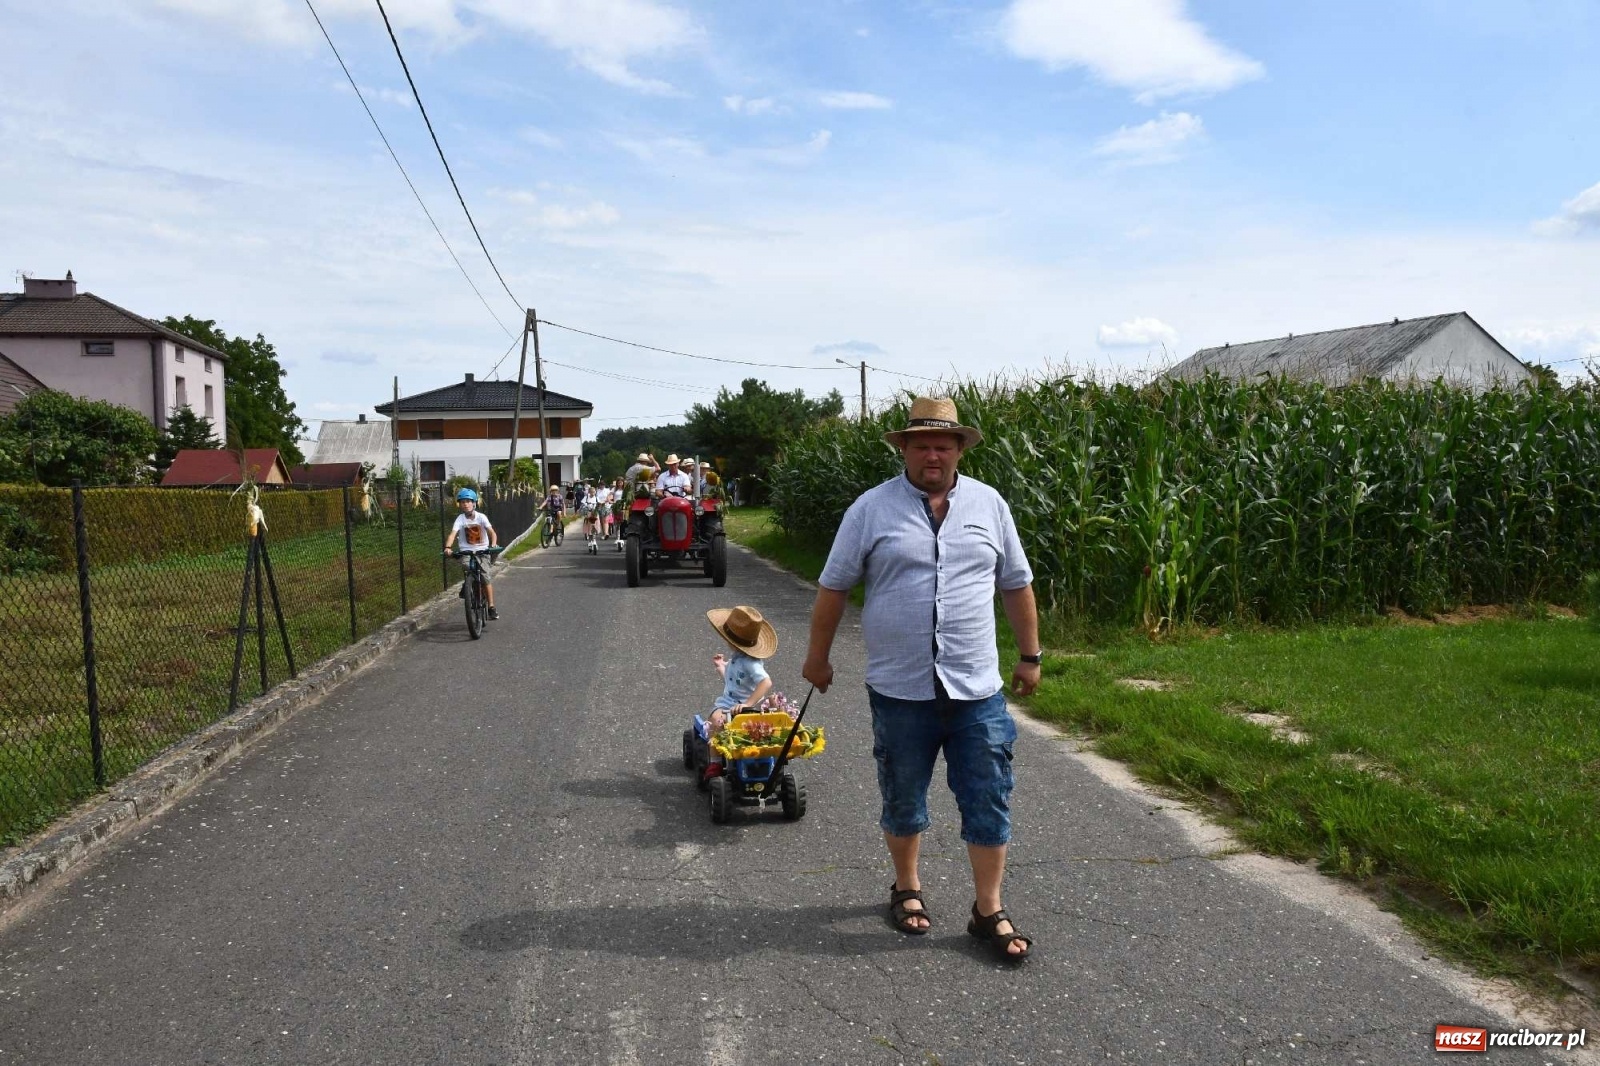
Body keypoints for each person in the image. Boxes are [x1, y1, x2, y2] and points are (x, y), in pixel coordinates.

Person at [802, 396, 1040, 963]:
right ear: (904, 448)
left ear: (959, 449)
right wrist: (818, 657)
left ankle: (988, 909)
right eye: (922, 444)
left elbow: (1016, 583)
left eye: (944, 444)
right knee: (903, 796)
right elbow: (834, 587)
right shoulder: (870, 509)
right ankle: (906, 888)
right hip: (900, 687)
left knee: (988, 797)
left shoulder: (990, 505)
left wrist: (1030, 655)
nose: (933, 454)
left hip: (976, 688)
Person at [702, 605, 777, 782]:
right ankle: (716, 762)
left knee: (715, 721)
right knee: (717, 721)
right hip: (730, 704)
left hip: (746, 708)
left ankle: (717, 762)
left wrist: (748, 704)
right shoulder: (737, 658)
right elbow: (734, 682)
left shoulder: (751, 663)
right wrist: (722, 667)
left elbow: (766, 682)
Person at [443, 487, 499, 620]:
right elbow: (453, 534)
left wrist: (493, 544)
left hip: (482, 550)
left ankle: (491, 606)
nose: (465, 504)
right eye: (462, 502)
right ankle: (468, 584)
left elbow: (492, 532)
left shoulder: (481, 517)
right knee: (467, 567)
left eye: (468, 501)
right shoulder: (460, 519)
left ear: (474, 503)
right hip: (466, 551)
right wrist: (448, 547)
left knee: (485, 577)